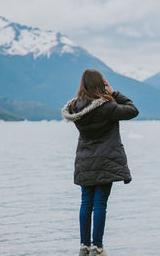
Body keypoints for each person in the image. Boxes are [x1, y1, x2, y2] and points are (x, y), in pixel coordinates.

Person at [61, 69, 139, 256]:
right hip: (106, 162)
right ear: (100, 84)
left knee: (86, 202)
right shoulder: (107, 106)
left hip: (85, 162)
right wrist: (114, 93)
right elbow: (133, 110)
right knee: (100, 204)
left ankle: (84, 246)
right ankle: (98, 247)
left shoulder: (76, 107)